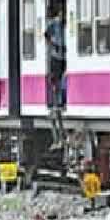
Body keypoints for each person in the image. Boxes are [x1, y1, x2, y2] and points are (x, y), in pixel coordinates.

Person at [44, 8, 67, 150]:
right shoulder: (54, 24)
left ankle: (58, 101)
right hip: (56, 57)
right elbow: (46, 35)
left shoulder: (65, 25)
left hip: (62, 56)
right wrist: (54, 45)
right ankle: (56, 101)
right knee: (56, 80)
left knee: (61, 79)